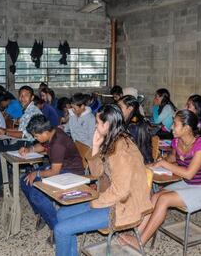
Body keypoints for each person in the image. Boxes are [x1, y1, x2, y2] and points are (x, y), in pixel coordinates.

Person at [54, 104, 152, 256]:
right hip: (111, 199)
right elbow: (98, 173)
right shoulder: (113, 140)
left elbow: (121, 191)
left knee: (61, 230)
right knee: (61, 215)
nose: (95, 126)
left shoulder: (121, 150)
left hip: (122, 207)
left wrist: (95, 202)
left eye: (98, 123)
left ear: (107, 124)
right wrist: (95, 146)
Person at [120, 109, 201, 249]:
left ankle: (141, 241)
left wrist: (164, 164)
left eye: (175, 124)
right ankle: (138, 233)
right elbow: (172, 158)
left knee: (164, 199)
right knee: (156, 196)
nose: (171, 127)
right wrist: (152, 164)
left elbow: (189, 173)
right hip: (189, 184)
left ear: (187, 128)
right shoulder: (177, 141)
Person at [19, 114, 84, 231]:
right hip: (60, 167)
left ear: (45, 132)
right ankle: (43, 213)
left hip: (72, 173)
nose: (35, 139)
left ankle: (57, 227)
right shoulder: (52, 133)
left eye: (36, 136)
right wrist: (30, 149)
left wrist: (37, 174)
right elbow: (43, 146)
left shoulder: (57, 143)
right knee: (25, 180)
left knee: (36, 193)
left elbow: (54, 172)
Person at [0, 86, 42, 197]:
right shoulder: (27, 110)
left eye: (26, 96)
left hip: (28, 144)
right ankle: (3, 183)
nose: (22, 98)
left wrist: (6, 133)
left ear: (32, 97)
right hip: (22, 141)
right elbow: (20, 129)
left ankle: (3, 187)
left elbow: (24, 134)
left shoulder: (33, 112)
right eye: (20, 95)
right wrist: (5, 130)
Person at [118, 95, 153, 163]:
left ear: (130, 109)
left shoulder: (132, 126)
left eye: (120, 107)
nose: (117, 109)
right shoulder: (140, 119)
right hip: (145, 159)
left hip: (138, 163)